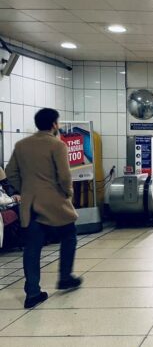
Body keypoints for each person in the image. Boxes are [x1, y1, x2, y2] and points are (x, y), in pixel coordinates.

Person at [6, 108, 82, 309]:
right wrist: (67, 193)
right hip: (54, 202)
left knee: (32, 247)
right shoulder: (57, 145)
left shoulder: (21, 145)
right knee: (69, 235)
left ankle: (32, 293)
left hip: (30, 204)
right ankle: (65, 277)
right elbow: (64, 176)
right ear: (54, 124)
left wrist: (25, 189)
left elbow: (10, 171)